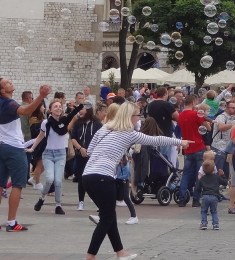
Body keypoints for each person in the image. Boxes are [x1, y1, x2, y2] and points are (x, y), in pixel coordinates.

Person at [83, 101, 189, 260]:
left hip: (88, 176)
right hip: (103, 177)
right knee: (106, 218)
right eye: (138, 115)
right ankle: (90, 255)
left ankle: (120, 252)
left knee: (109, 215)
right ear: (130, 116)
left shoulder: (105, 127)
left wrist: (112, 153)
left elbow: (90, 151)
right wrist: (180, 141)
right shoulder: (129, 133)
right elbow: (156, 140)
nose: (139, 119)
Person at [0, 79, 51, 232]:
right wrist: (40, 96)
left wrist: (2, 138)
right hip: (14, 148)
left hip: (2, 146)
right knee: (17, 184)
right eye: (7, 83)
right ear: (2, 90)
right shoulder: (9, 103)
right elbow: (25, 111)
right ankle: (11, 223)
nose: (11, 83)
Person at [31, 98, 84, 215]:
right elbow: (40, 137)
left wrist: (80, 105)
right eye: (55, 106)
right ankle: (42, 198)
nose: (58, 108)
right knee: (50, 179)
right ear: (50, 110)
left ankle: (58, 205)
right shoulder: (46, 123)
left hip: (60, 154)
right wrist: (32, 148)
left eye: (60, 106)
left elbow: (73, 113)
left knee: (58, 181)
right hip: (48, 154)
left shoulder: (64, 121)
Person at [71, 101, 103, 211]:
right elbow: (73, 137)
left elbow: (101, 138)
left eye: (82, 109)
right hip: (80, 155)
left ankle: (99, 203)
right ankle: (81, 201)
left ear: (88, 110)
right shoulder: (78, 122)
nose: (80, 111)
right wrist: (80, 148)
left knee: (94, 179)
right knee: (82, 178)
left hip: (93, 156)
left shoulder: (97, 123)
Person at [177, 94, 207, 207]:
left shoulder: (180, 115)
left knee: (186, 173)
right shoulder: (195, 114)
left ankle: (182, 197)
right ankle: (196, 199)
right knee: (199, 174)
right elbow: (206, 127)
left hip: (187, 147)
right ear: (194, 102)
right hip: (198, 145)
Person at [146, 86, 178, 167]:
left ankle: (156, 174)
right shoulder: (166, 105)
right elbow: (178, 117)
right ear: (165, 94)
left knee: (156, 155)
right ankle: (165, 174)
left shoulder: (151, 104)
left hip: (154, 133)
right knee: (166, 157)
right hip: (165, 133)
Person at [196, 159, 226, 230]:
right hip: (214, 196)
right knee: (214, 211)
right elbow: (225, 182)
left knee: (204, 211)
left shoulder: (202, 178)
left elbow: (198, 188)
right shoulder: (217, 177)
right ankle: (215, 224)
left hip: (205, 196)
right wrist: (223, 175)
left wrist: (200, 193)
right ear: (213, 169)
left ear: (203, 170)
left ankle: (204, 223)